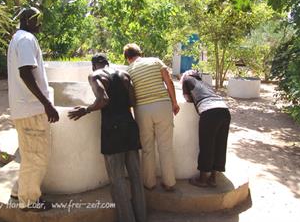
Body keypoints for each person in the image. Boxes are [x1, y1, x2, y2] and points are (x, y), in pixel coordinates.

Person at [68, 53, 146, 222]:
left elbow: (103, 99)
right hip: (130, 126)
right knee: (135, 176)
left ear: (93, 65)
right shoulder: (125, 74)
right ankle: (142, 216)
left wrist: (86, 110)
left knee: (117, 179)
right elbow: (133, 101)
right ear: (108, 62)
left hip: (113, 130)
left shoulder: (95, 75)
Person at [7, 7, 59, 210]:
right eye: (37, 20)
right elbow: (26, 73)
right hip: (32, 110)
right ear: (28, 20)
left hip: (24, 110)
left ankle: (18, 190)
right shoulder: (27, 39)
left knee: (30, 155)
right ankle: (29, 201)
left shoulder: (17, 38)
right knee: (37, 156)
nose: (40, 24)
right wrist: (47, 104)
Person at [123, 43, 179, 191]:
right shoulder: (155, 61)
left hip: (142, 110)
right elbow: (169, 82)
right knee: (165, 146)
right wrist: (174, 103)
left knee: (147, 148)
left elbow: (130, 95)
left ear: (127, 58)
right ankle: (170, 183)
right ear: (140, 53)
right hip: (162, 105)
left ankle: (149, 183)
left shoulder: (128, 70)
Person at [181, 70, 230, 187]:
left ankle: (202, 179)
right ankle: (213, 178)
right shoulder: (204, 84)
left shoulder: (187, 79)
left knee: (206, 145)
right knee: (220, 144)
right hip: (224, 110)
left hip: (209, 112)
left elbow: (187, 98)